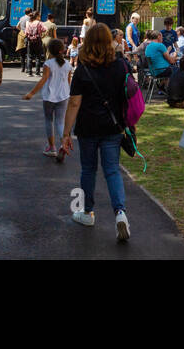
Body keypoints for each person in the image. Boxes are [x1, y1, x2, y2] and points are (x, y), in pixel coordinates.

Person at [62, 22, 132, 241]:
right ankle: (120, 213)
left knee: (88, 169)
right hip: (113, 126)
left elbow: (74, 103)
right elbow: (127, 97)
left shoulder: (82, 68)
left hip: (88, 126)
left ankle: (87, 212)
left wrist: (66, 133)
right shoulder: (121, 65)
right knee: (112, 170)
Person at [24, 38, 72, 160]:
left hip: (49, 96)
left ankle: (52, 147)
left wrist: (31, 93)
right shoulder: (68, 65)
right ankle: (63, 144)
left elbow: (43, 80)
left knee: (49, 121)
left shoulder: (48, 64)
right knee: (60, 122)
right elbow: (68, 81)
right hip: (63, 96)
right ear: (62, 50)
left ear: (49, 50)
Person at [24, 12, 47, 76]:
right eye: (39, 16)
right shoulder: (39, 23)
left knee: (29, 56)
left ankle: (29, 72)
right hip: (38, 41)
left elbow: (26, 33)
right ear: (37, 16)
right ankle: (37, 72)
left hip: (30, 41)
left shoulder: (28, 23)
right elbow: (45, 29)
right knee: (38, 57)